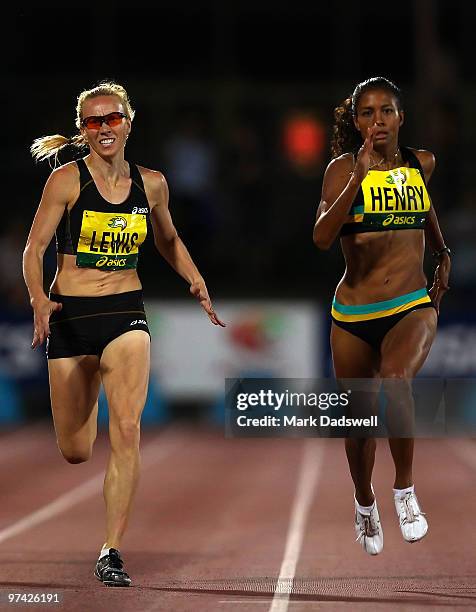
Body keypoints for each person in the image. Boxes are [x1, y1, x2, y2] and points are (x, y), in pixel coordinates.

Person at [22, 81, 225, 586]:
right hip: (71, 317)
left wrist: (195, 279)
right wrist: (38, 299)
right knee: (75, 449)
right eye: (94, 121)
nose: (105, 128)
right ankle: (83, 398)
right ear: (83, 131)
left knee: (128, 431)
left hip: (125, 314)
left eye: (113, 118)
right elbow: (33, 249)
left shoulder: (152, 183)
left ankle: (111, 549)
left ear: (129, 123)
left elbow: (169, 239)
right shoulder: (66, 182)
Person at [313, 77, 450, 555]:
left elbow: (425, 211)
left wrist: (442, 252)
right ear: (357, 122)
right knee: (359, 424)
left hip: (410, 305)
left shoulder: (420, 163)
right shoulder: (340, 170)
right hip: (353, 312)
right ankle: (365, 501)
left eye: (386, 111)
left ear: (400, 117)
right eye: (368, 113)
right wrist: (359, 177)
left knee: (396, 381)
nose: (378, 121)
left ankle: (405, 493)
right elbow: (322, 238)